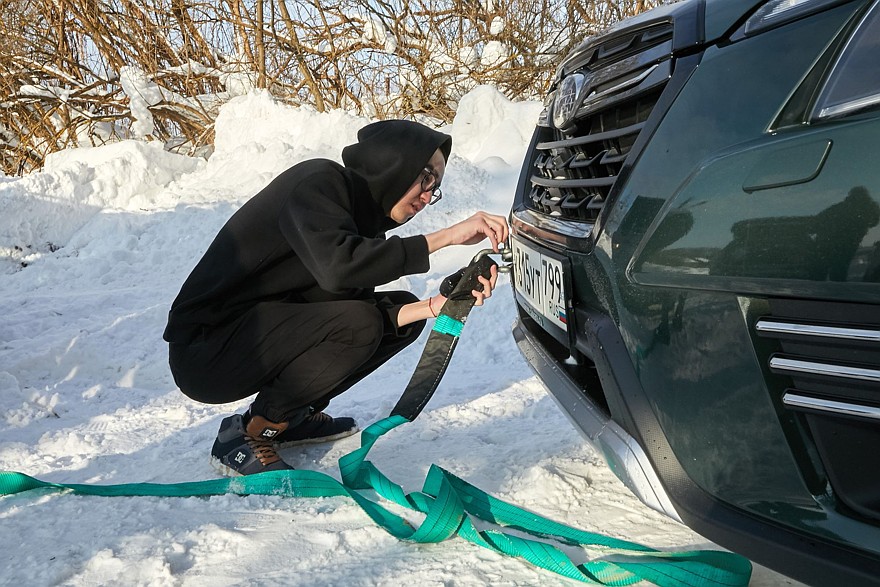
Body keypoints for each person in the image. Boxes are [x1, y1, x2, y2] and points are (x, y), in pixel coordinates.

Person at [163, 119, 508, 477]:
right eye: (425, 177)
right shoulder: (318, 184)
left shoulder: (360, 222)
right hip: (206, 349)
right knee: (359, 325)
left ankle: (289, 418)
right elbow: (340, 268)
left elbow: (346, 301)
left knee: (398, 321)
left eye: (435, 186)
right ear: (394, 163)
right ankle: (252, 432)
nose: (427, 194)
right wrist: (448, 236)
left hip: (252, 335)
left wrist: (437, 306)